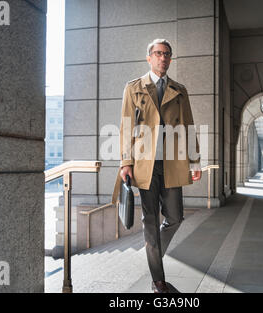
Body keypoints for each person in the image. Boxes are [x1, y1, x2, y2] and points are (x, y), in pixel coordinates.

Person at [111, 39, 202, 293]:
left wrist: (195, 161)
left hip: (172, 163)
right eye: (159, 53)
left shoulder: (180, 91)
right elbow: (125, 127)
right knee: (149, 220)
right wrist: (125, 162)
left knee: (175, 217)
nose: (163, 58)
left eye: (168, 54)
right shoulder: (133, 88)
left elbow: (189, 127)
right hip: (143, 165)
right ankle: (158, 281)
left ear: (170, 60)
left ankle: (153, 251)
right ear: (149, 57)